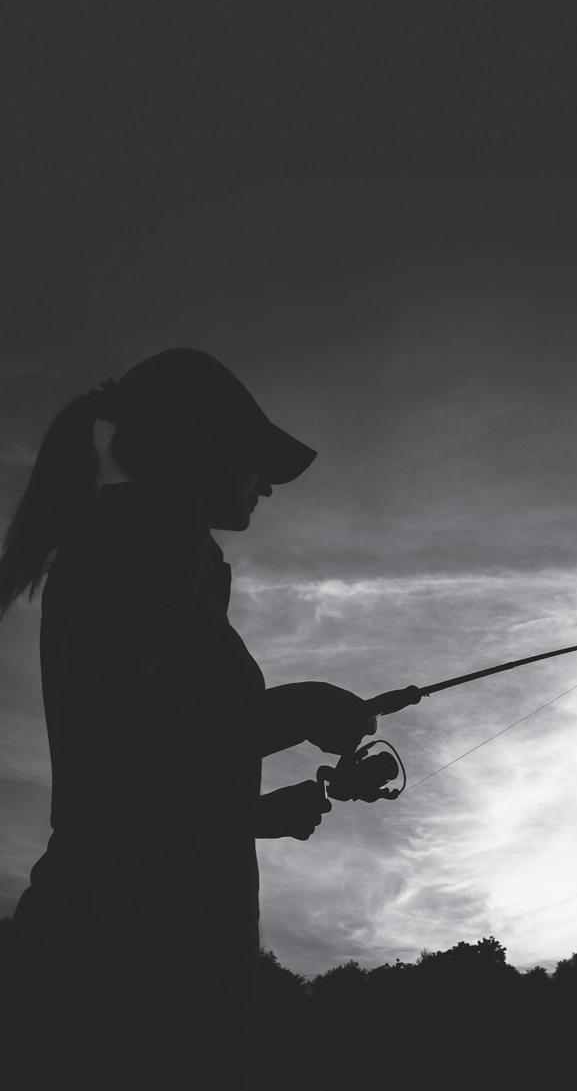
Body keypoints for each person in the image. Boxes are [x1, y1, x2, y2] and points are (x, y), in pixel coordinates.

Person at [0, 348, 417, 1090]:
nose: (268, 485)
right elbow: (119, 736)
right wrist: (301, 708)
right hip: (134, 976)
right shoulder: (149, 539)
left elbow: (131, 792)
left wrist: (252, 816)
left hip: (130, 958)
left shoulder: (146, 547)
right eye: (257, 461)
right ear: (203, 449)